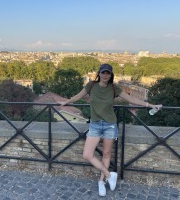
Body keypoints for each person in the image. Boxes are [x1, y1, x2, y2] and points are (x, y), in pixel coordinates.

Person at [60, 63, 162, 197]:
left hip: (110, 125)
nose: (105, 75)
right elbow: (78, 96)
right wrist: (66, 102)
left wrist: (150, 105)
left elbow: (131, 99)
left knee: (106, 154)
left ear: (111, 74)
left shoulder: (114, 88)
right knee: (87, 155)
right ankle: (109, 175)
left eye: (108, 73)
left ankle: (101, 181)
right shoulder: (91, 85)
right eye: (103, 72)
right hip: (95, 124)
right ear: (99, 73)